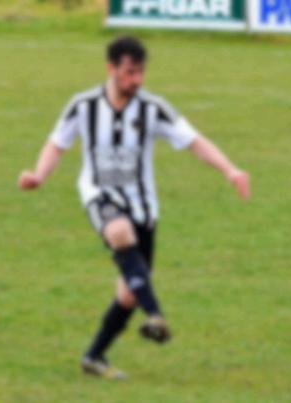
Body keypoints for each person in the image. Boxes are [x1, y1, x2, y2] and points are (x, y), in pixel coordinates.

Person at [18, 36, 251, 378]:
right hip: (99, 194)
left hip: (143, 207)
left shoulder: (153, 108)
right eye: (129, 72)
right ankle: (156, 314)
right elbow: (57, 143)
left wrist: (230, 170)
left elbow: (195, 141)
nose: (137, 80)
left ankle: (94, 357)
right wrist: (39, 175)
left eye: (141, 72)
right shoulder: (83, 105)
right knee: (119, 230)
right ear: (110, 68)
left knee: (129, 293)